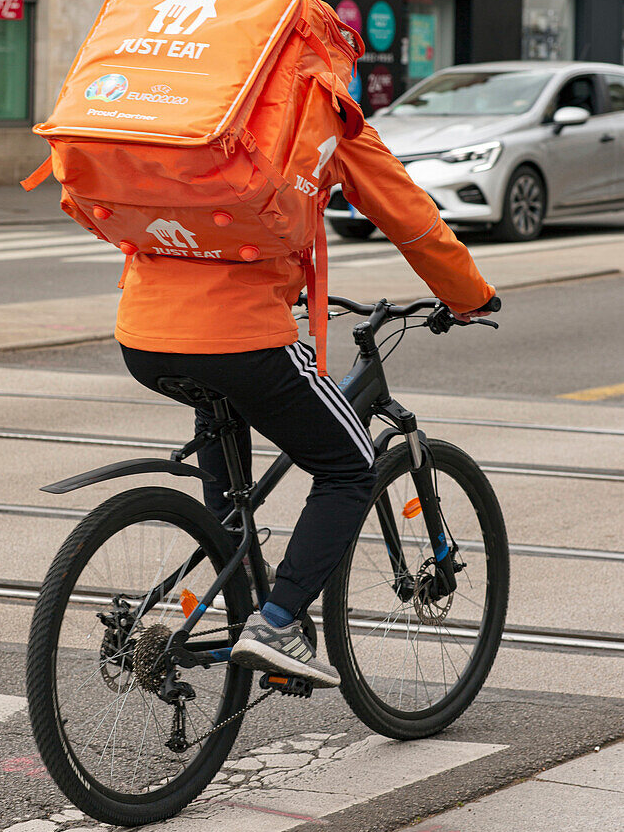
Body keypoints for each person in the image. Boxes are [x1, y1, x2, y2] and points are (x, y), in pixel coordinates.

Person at [117, 116, 496, 688]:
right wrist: (469, 295)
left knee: (222, 406)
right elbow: (412, 221)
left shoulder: (198, 106)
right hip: (243, 338)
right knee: (351, 466)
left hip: (143, 336)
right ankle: (275, 621)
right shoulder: (323, 115)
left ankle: (237, 565)